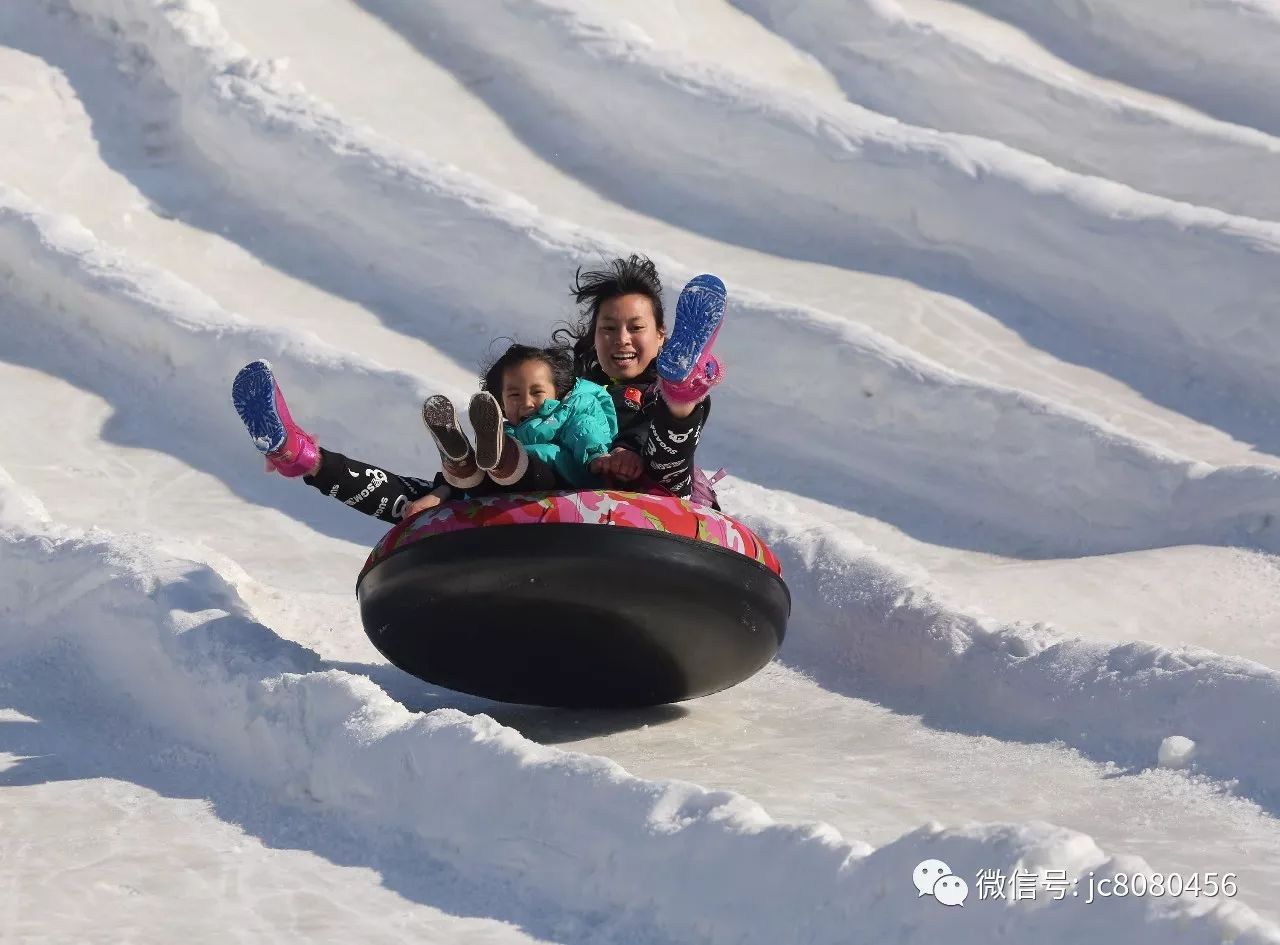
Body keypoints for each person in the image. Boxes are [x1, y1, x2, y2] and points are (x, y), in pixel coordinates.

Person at [229, 255, 726, 523]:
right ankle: (300, 455)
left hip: (655, 490)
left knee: (669, 449)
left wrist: (626, 451)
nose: (620, 340)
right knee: (420, 501)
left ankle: (684, 385)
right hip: (551, 486)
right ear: (592, 337)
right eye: (608, 329)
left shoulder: (643, 397)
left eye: (635, 328)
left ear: (662, 336)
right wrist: (445, 491)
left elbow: (659, 454)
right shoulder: (569, 390)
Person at [421, 343, 616, 494]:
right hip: (510, 488)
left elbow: (584, 429)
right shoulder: (506, 432)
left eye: (537, 392)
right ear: (502, 404)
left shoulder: (569, 411)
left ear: (557, 392)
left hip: (569, 480)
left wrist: (595, 456)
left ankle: (501, 461)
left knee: (537, 456)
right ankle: (461, 464)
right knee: (483, 476)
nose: (526, 402)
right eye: (515, 395)